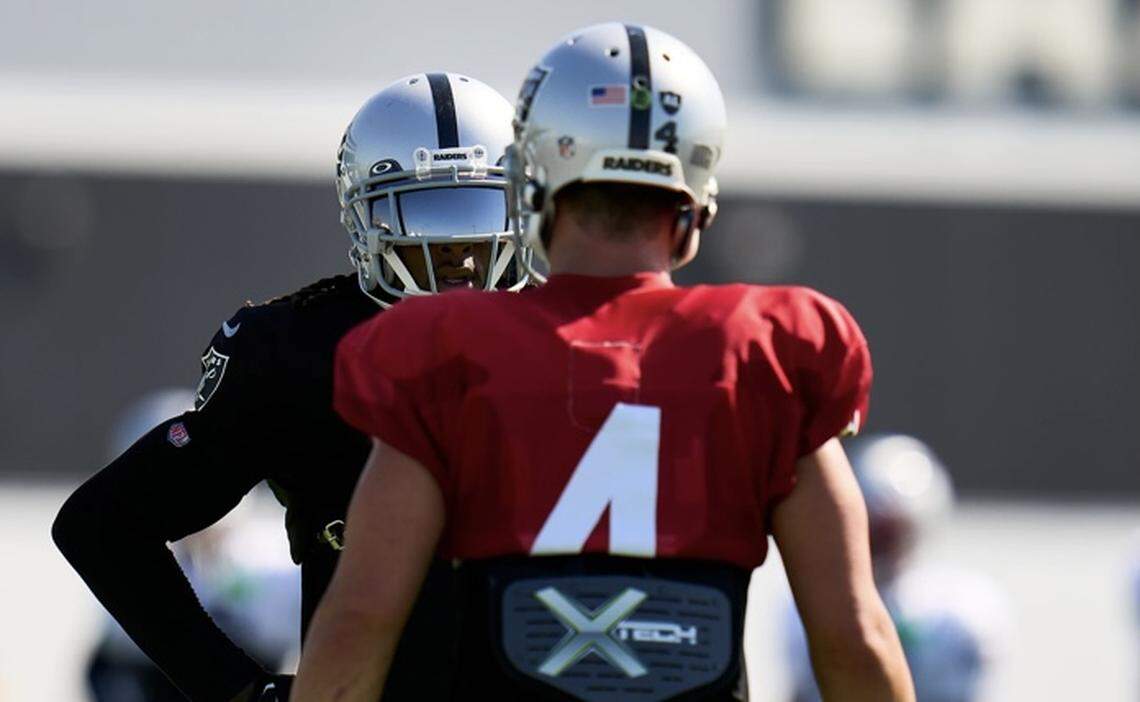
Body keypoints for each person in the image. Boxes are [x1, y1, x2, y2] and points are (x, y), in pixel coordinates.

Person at [294, 22, 914, 702]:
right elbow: (853, 638)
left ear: (531, 180)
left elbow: (358, 624)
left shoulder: (444, 350)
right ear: (696, 193)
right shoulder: (769, 351)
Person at [52, 72, 528, 702]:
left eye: (479, 210)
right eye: (429, 216)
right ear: (367, 220)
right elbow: (103, 525)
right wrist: (241, 690)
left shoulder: (579, 338)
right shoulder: (298, 352)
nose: (461, 253)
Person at [783, 434, 1010, 702]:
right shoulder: (808, 603)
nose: (883, 546)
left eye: (890, 533)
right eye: (876, 531)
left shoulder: (964, 609)